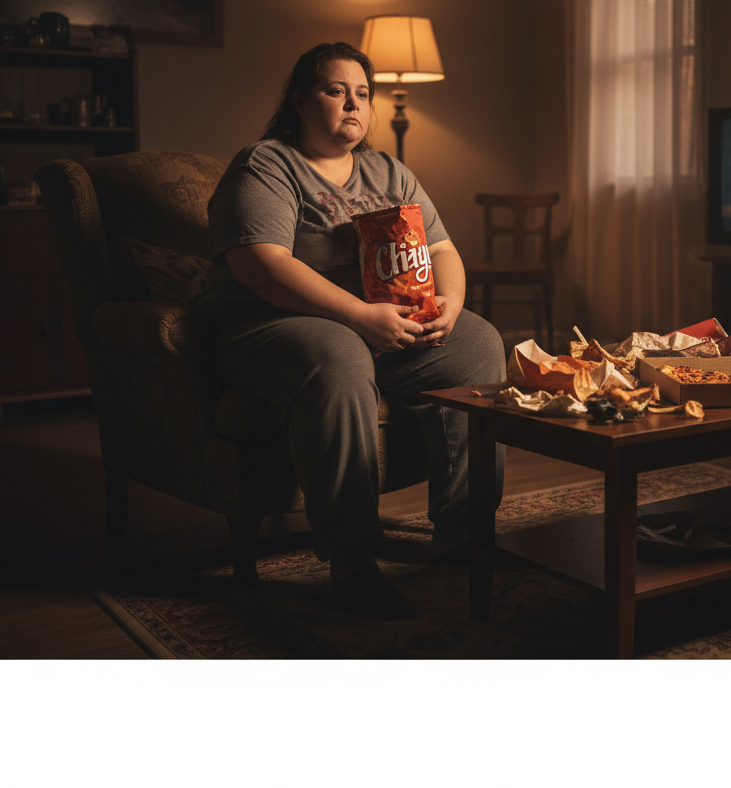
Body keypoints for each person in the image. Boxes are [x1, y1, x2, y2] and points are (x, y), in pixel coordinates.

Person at [196, 42, 506, 620]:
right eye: (335, 90)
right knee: (338, 353)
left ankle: (466, 535)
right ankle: (354, 565)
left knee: (479, 343)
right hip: (267, 326)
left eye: (362, 93)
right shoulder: (266, 164)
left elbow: (442, 248)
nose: (353, 104)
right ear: (299, 101)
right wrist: (361, 317)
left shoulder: (388, 170)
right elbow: (262, 267)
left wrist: (451, 303)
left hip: (375, 328)